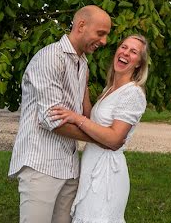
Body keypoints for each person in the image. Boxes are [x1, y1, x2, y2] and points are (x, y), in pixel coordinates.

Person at [9, 5, 112, 223]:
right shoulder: (50, 58)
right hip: (41, 165)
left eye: (106, 35)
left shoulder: (82, 63)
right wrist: (103, 139)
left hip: (69, 166)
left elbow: (86, 113)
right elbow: (53, 121)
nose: (104, 41)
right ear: (81, 25)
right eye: (100, 33)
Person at [49, 34, 149, 223]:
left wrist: (75, 118)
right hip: (92, 165)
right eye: (124, 47)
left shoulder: (132, 94)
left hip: (107, 174)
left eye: (133, 52)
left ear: (139, 63)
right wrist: (83, 86)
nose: (125, 53)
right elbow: (91, 121)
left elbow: (114, 140)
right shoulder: (110, 89)